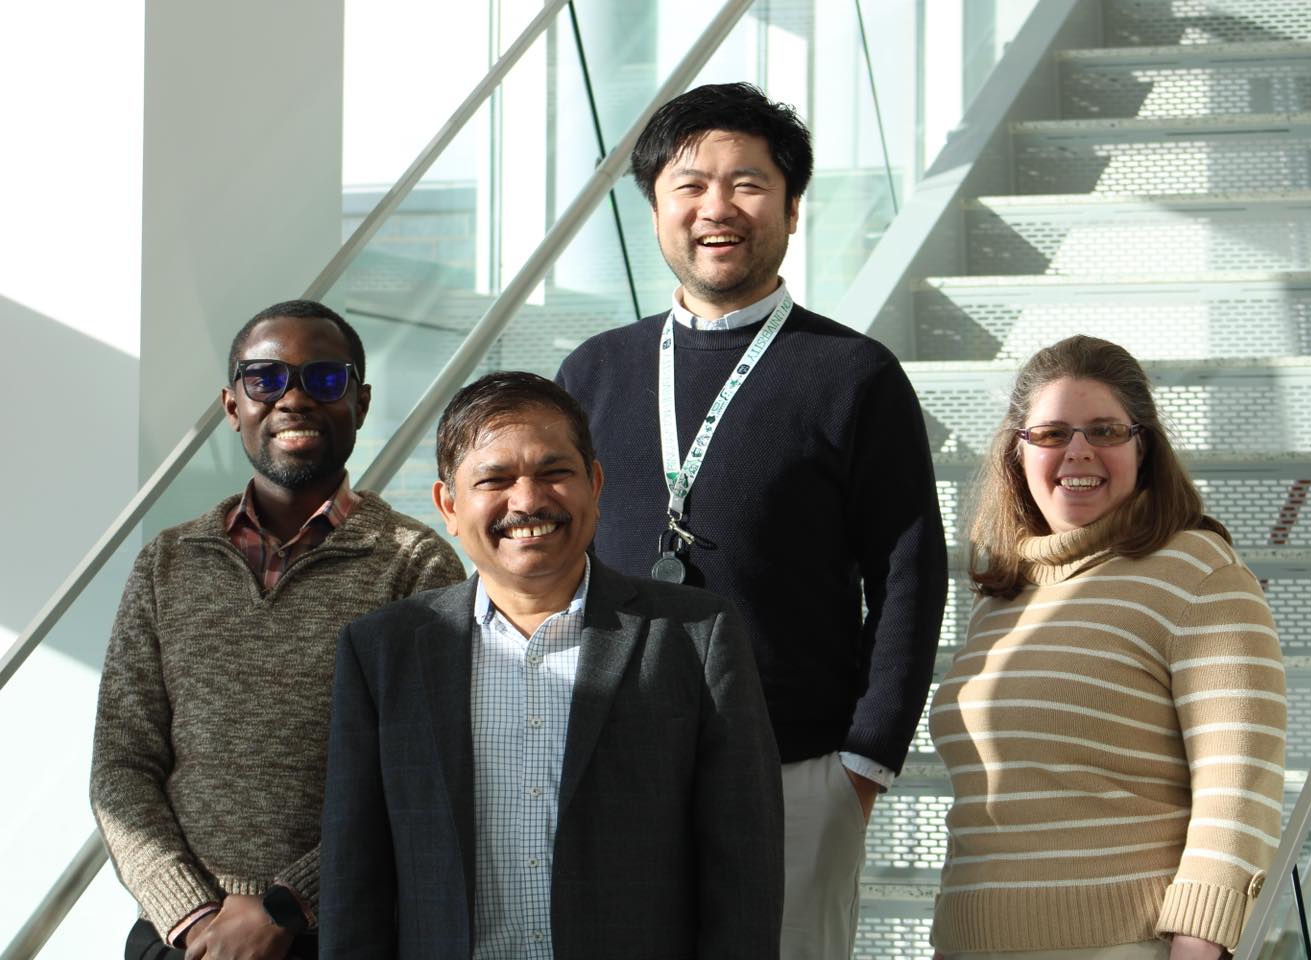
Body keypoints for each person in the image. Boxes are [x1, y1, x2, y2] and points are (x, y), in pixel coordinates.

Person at [555, 81, 947, 960]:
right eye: (689, 185)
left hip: (798, 770)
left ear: (793, 208)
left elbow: (909, 574)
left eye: (748, 183)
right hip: (615, 765)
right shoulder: (594, 372)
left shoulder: (853, 373)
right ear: (655, 210)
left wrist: (864, 763)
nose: (716, 208)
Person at [320, 371, 783, 959]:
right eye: (494, 479)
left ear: (593, 482)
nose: (528, 500)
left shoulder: (695, 636)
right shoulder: (383, 652)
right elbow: (353, 880)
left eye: (554, 472)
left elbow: (744, 870)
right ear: (449, 506)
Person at [90, 300, 466, 960]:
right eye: (265, 379)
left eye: (324, 379)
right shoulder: (168, 562)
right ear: (233, 405)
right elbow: (122, 764)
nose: (293, 398)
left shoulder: (417, 564)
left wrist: (285, 908)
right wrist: (192, 914)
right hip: (180, 940)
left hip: (339, 934)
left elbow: (418, 773)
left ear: (361, 401)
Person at [929, 335, 1287, 960]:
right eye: (1050, 434)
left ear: (1143, 447)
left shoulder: (1198, 573)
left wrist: (1201, 945)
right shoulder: (1002, 597)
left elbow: (1239, 787)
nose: (1078, 452)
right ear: (1016, 454)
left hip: (1120, 942)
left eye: (1105, 430)